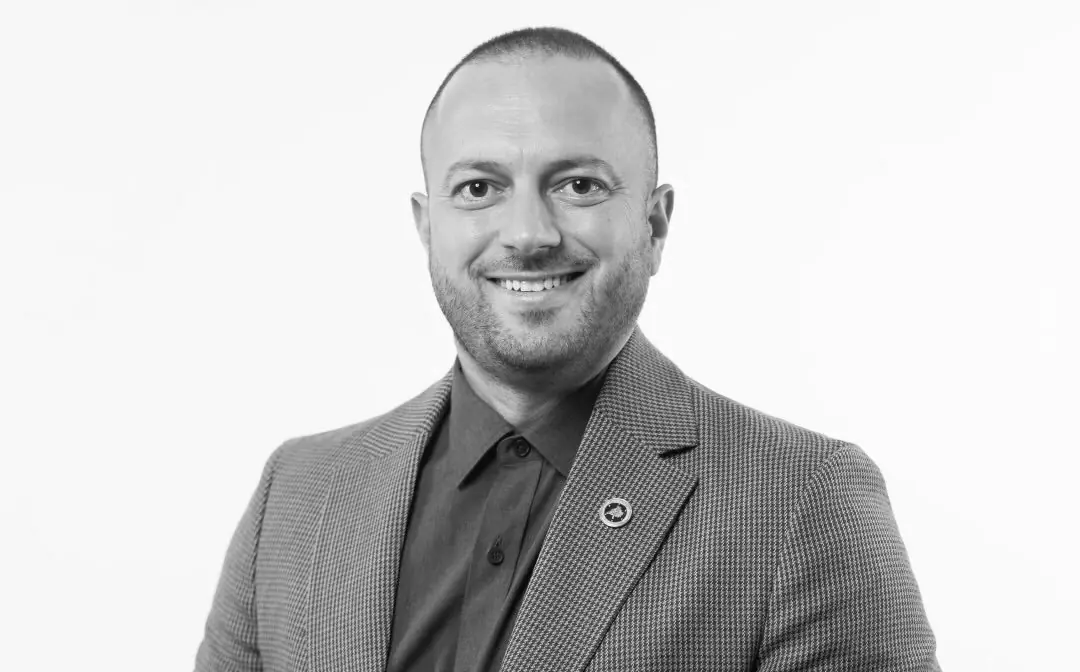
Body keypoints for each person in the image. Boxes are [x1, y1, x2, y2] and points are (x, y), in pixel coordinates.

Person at [195, 26, 940, 672]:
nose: (528, 234)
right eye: (479, 188)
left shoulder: (802, 503)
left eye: (579, 185)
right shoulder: (298, 496)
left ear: (654, 226)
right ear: (427, 227)